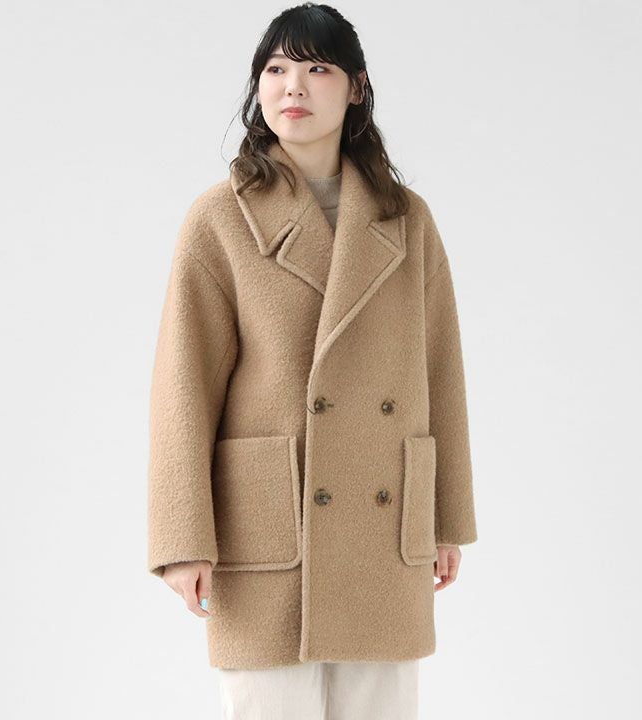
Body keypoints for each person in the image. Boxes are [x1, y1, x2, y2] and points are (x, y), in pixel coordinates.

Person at [147, 3, 478, 718]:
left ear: (356, 87)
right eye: (275, 69)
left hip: (382, 518)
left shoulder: (407, 219)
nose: (292, 86)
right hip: (269, 519)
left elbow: (440, 370)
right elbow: (183, 386)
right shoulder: (219, 217)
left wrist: (446, 518)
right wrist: (182, 537)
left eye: (317, 68)